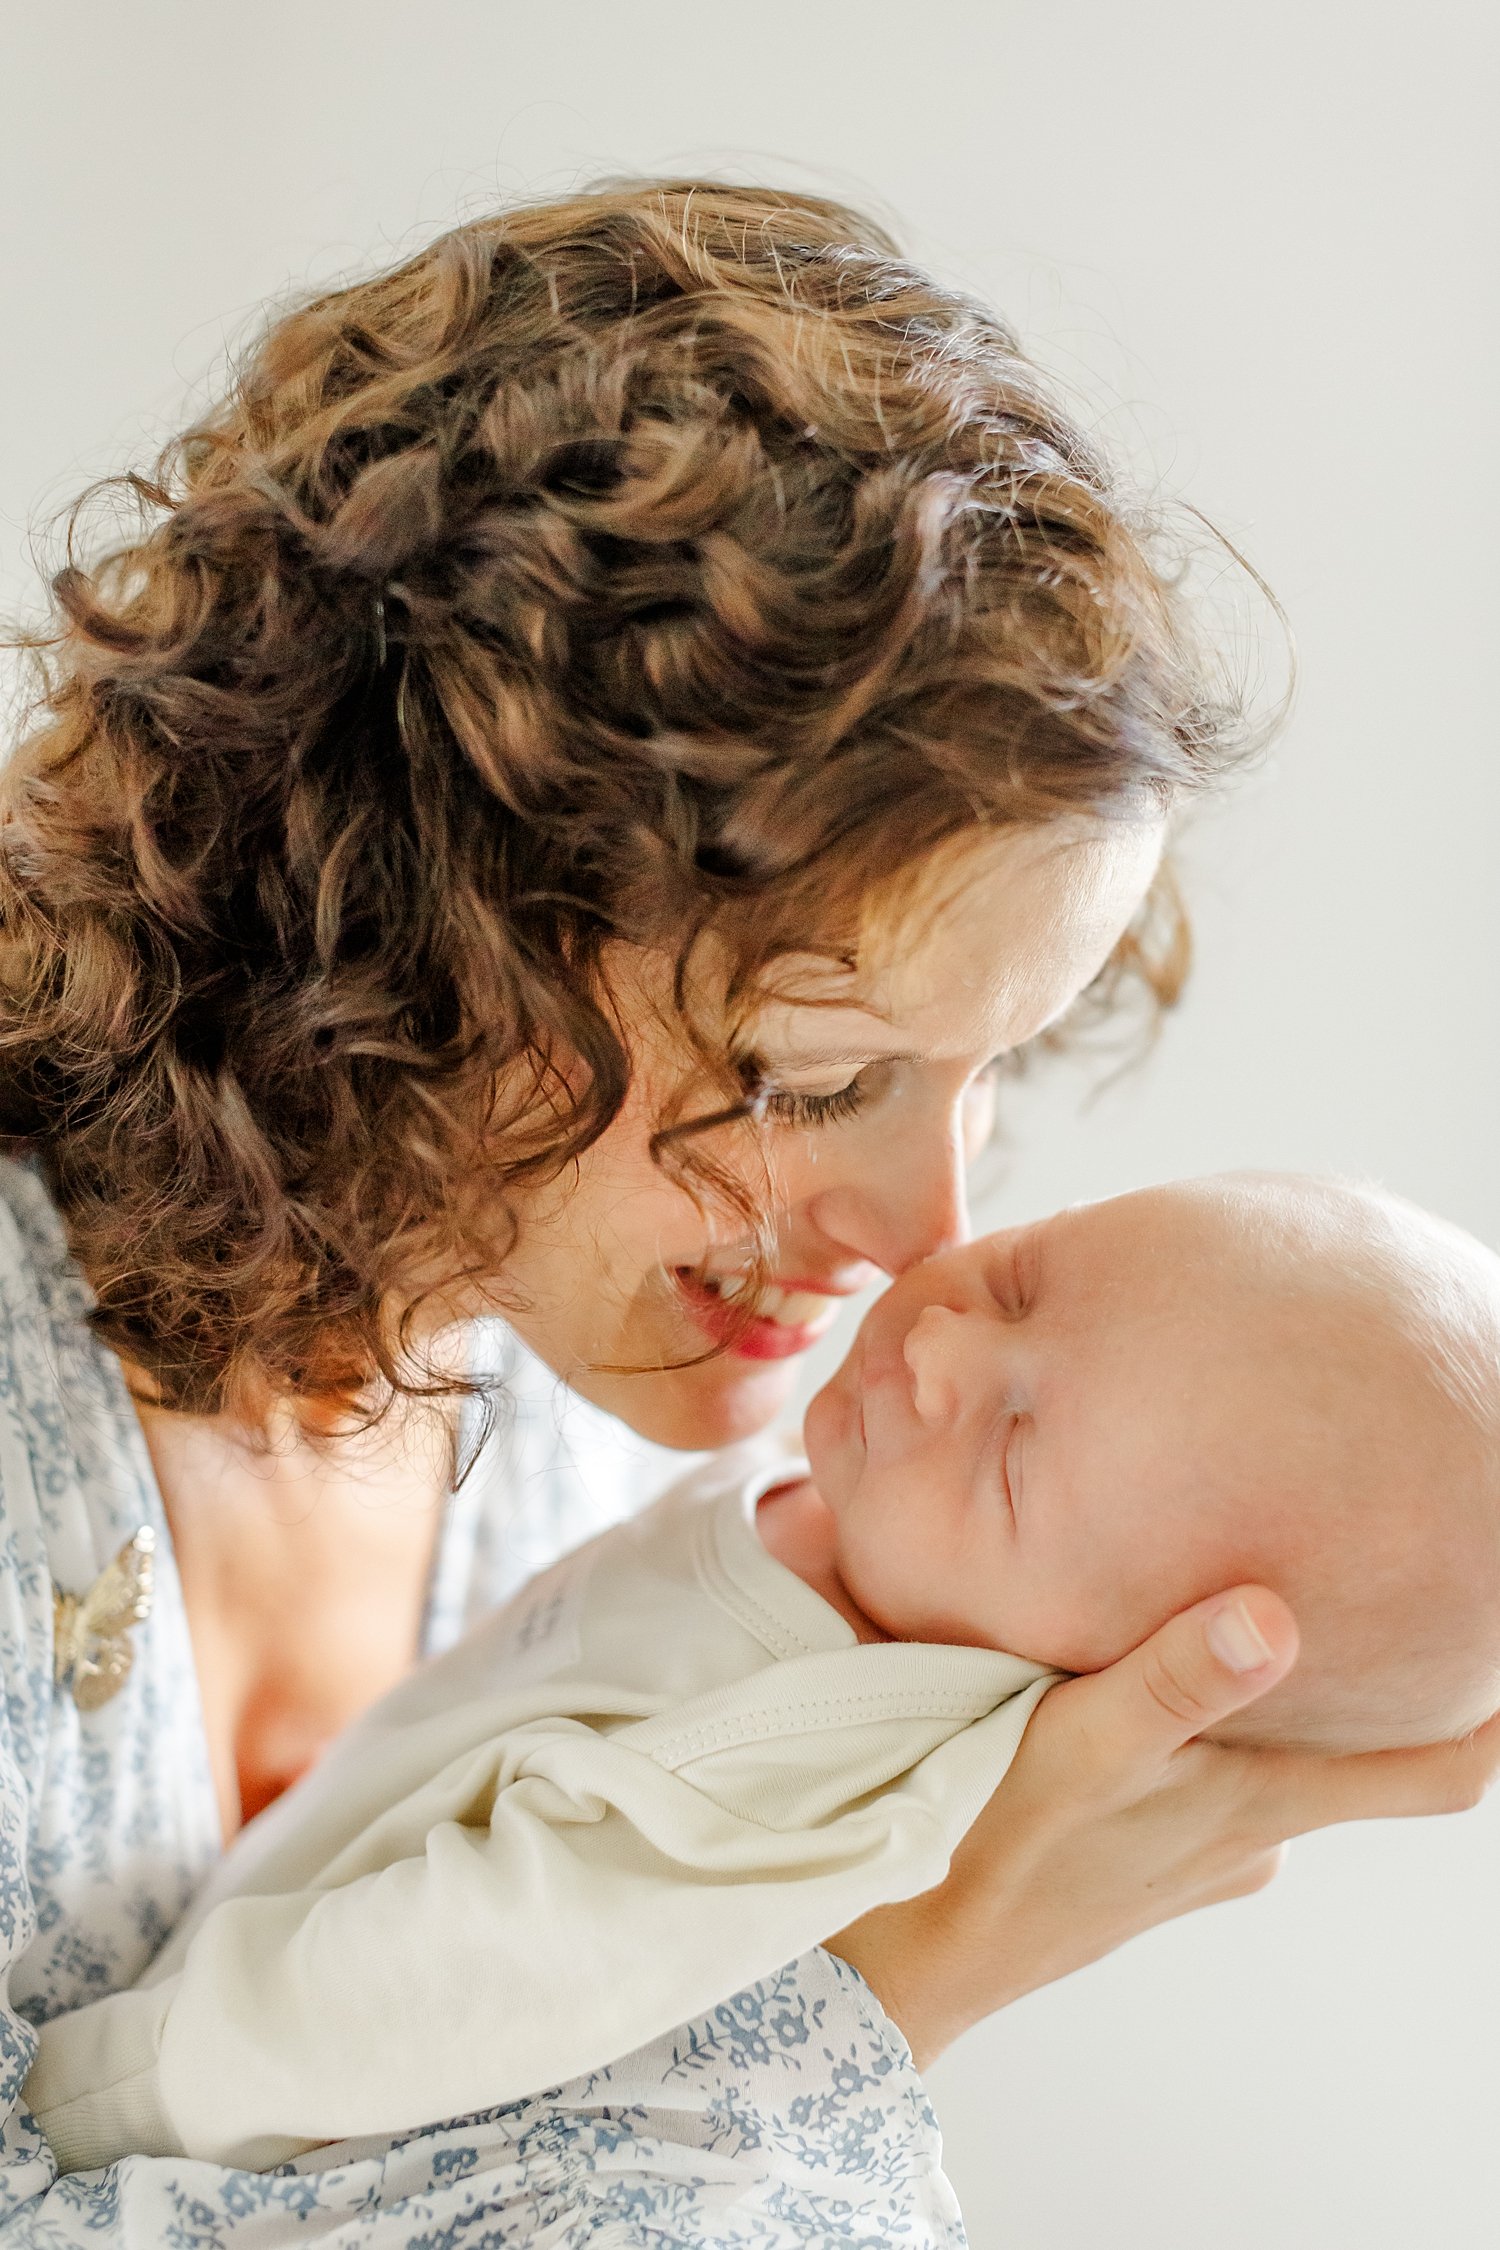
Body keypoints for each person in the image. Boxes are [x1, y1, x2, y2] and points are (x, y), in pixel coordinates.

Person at [0, 181, 1493, 2244]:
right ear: (416, 936)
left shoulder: (555, 1441)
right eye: (812, 1079)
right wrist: (896, 1989)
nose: (922, 1234)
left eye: (997, 1072)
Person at [26, 1170, 1500, 2195]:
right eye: (1027, 1273)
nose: (940, 1346)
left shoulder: (810, 1763)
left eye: (1016, 1448)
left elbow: (480, 1963)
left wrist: (125, 2091)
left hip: (232, 2115)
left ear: (1122, 1669)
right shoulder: (854, 1512)